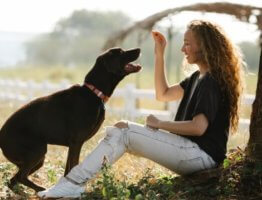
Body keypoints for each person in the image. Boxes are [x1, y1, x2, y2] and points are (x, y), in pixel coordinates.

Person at [37, 19, 244, 199]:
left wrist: (160, 124)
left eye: (187, 44)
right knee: (120, 130)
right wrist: (159, 55)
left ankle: (71, 185)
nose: (183, 49)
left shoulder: (210, 81)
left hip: (200, 156)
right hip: (192, 153)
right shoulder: (197, 78)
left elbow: (199, 128)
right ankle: (71, 184)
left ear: (205, 47)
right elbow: (162, 94)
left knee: (124, 131)